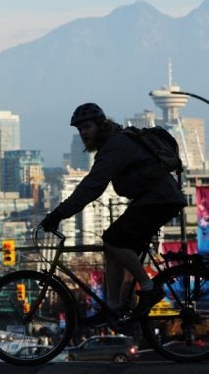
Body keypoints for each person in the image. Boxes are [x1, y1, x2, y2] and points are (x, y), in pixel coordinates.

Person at [40, 103, 186, 320]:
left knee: (112, 240)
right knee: (112, 246)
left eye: (87, 127)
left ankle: (148, 287)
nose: (83, 133)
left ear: (100, 125)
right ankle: (113, 307)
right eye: (80, 130)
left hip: (159, 198)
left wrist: (58, 214)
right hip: (154, 198)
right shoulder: (115, 142)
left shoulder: (115, 145)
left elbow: (92, 186)